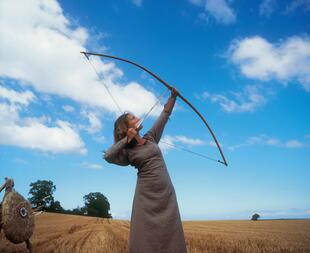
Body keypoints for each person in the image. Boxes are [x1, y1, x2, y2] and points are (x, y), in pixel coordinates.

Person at [104, 88, 187, 253]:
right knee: (145, 237)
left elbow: (164, 115)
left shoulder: (151, 138)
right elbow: (108, 156)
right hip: (146, 197)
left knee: (171, 234)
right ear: (127, 127)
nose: (137, 118)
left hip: (166, 194)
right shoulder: (127, 151)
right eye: (133, 118)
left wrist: (173, 96)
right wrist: (126, 139)